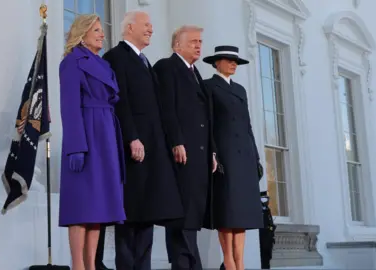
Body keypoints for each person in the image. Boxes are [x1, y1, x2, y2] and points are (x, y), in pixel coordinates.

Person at [103, 11, 184, 270]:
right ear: (129, 28)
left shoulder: (145, 62)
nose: (151, 29)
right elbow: (120, 101)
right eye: (146, 25)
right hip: (133, 149)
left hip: (154, 149)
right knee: (130, 217)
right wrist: (132, 137)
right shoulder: (115, 57)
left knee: (149, 214)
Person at [58, 14, 126, 270]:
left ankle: (91, 265)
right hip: (86, 134)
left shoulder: (104, 65)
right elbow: (69, 107)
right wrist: (76, 146)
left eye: (101, 30)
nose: (102, 34)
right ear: (82, 33)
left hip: (106, 134)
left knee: (97, 207)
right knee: (80, 205)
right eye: (96, 30)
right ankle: (78, 265)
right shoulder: (72, 62)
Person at [153, 25, 218, 270]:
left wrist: (212, 151)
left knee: (193, 214)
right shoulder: (166, 67)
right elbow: (166, 108)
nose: (198, 45)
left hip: (200, 156)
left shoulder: (196, 73)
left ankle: (190, 262)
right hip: (181, 154)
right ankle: (185, 263)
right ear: (177, 45)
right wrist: (176, 141)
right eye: (193, 42)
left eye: (200, 41)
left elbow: (206, 117)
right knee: (181, 214)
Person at [203, 45, 264, 270]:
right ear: (216, 62)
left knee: (243, 213)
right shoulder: (209, 86)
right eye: (229, 60)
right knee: (226, 209)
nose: (233, 64)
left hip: (245, 154)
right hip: (225, 153)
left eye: (236, 61)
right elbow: (208, 123)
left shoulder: (241, 90)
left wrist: (256, 157)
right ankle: (228, 260)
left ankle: (240, 262)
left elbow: (248, 125)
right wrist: (213, 152)